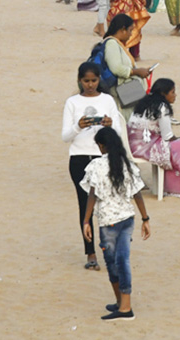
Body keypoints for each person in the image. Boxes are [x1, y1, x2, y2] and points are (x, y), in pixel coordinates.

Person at [80, 126, 151, 322]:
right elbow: (137, 193)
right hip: (127, 218)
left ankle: (125, 306)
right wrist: (145, 219)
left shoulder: (96, 166)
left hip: (107, 221)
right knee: (121, 260)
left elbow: (92, 195)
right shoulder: (126, 164)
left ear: (102, 146)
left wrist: (86, 221)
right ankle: (122, 302)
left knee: (115, 262)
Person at [61, 62, 122, 269]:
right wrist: (79, 126)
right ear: (79, 80)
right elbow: (65, 136)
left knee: (108, 203)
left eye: (93, 81)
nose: (89, 85)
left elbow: (120, 134)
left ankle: (109, 246)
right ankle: (90, 253)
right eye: (86, 81)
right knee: (85, 205)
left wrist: (109, 125)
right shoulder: (72, 102)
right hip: (79, 157)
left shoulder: (107, 100)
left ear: (99, 81)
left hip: (103, 157)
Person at [128, 79, 180, 198]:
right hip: (146, 148)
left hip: (132, 146)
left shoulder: (142, 104)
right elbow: (167, 136)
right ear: (163, 94)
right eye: (172, 92)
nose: (175, 95)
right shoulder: (162, 107)